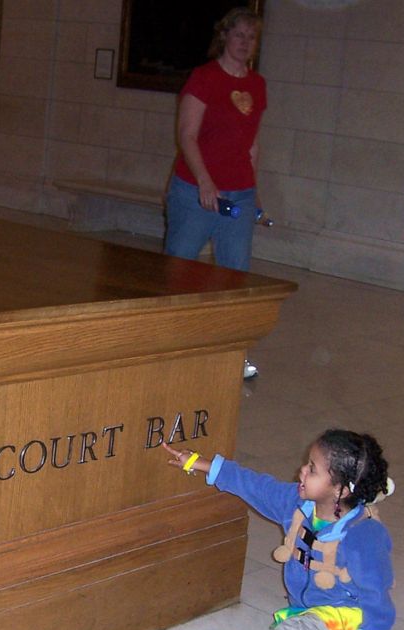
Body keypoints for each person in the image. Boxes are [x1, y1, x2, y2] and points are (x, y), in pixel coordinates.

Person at [164, 430, 395, 630]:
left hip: (345, 616)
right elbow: (255, 486)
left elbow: (376, 593)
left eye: (313, 469)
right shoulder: (297, 505)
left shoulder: (364, 534)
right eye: (307, 463)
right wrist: (202, 464)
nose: (302, 470)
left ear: (341, 490)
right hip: (308, 612)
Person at [164, 7, 267, 378]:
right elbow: (187, 136)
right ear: (224, 36)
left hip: (239, 193)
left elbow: (251, 143)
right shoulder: (204, 78)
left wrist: (254, 190)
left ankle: (231, 353)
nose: (245, 43)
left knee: (235, 276)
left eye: (251, 37)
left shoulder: (257, 85)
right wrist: (206, 180)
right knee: (178, 267)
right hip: (196, 191)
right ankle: (168, 344)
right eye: (239, 35)